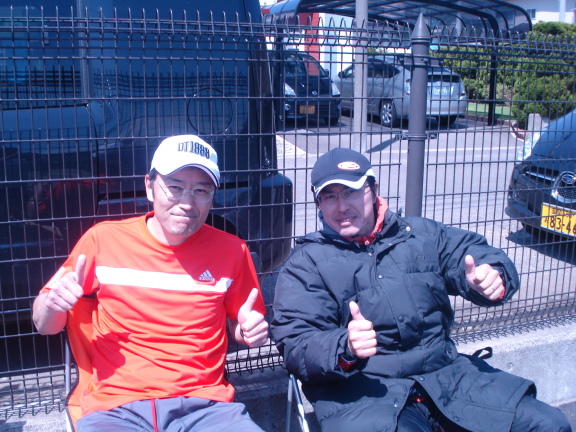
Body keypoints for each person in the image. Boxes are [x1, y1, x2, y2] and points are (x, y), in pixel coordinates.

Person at [271, 148, 572, 432]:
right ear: (319, 204)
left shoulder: (420, 234)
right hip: (364, 394)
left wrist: (493, 275)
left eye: (350, 192)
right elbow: (296, 344)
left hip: (448, 378)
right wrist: (344, 347)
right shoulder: (305, 264)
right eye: (329, 196)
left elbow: (470, 253)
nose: (341, 206)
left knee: (548, 424)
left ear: (373, 190)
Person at [33, 135, 268, 432]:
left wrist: (247, 332)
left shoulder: (233, 250)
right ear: (149, 186)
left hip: (207, 408)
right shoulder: (103, 239)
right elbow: (44, 324)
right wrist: (52, 304)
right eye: (175, 187)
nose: (187, 203)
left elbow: (242, 324)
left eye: (201, 190)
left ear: (212, 196)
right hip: (116, 409)